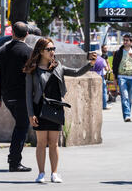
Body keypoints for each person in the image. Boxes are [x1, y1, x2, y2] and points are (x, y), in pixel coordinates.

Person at [24, 38, 97, 183]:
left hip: (56, 107)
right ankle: (41, 173)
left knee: (54, 143)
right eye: (49, 49)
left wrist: (91, 64)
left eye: (53, 49)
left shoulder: (58, 67)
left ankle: (55, 173)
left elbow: (76, 72)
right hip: (40, 108)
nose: (52, 52)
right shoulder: (33, 70)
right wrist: (31, 114)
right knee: (41, 143)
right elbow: (28, 95)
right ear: (41, 52)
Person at [0, 22, 33, 172]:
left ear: (13, 33)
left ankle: (14, 158)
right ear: (27, 34)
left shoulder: (2, 51)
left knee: (20, 124)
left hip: (7, 96)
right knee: (22, 126)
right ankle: (14, 161)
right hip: (22, 96)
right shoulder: (28, 52)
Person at [112, 34, 132, 122]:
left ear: (131, 42)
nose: (125, 42)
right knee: (124, 96)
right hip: (122, 77)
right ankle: (127, 115)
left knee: (129, 98)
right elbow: (115, 65)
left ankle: (128, 113)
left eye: (127, 40)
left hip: (131, 77)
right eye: (124, 40)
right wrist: (115, 78)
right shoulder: (119, 52)